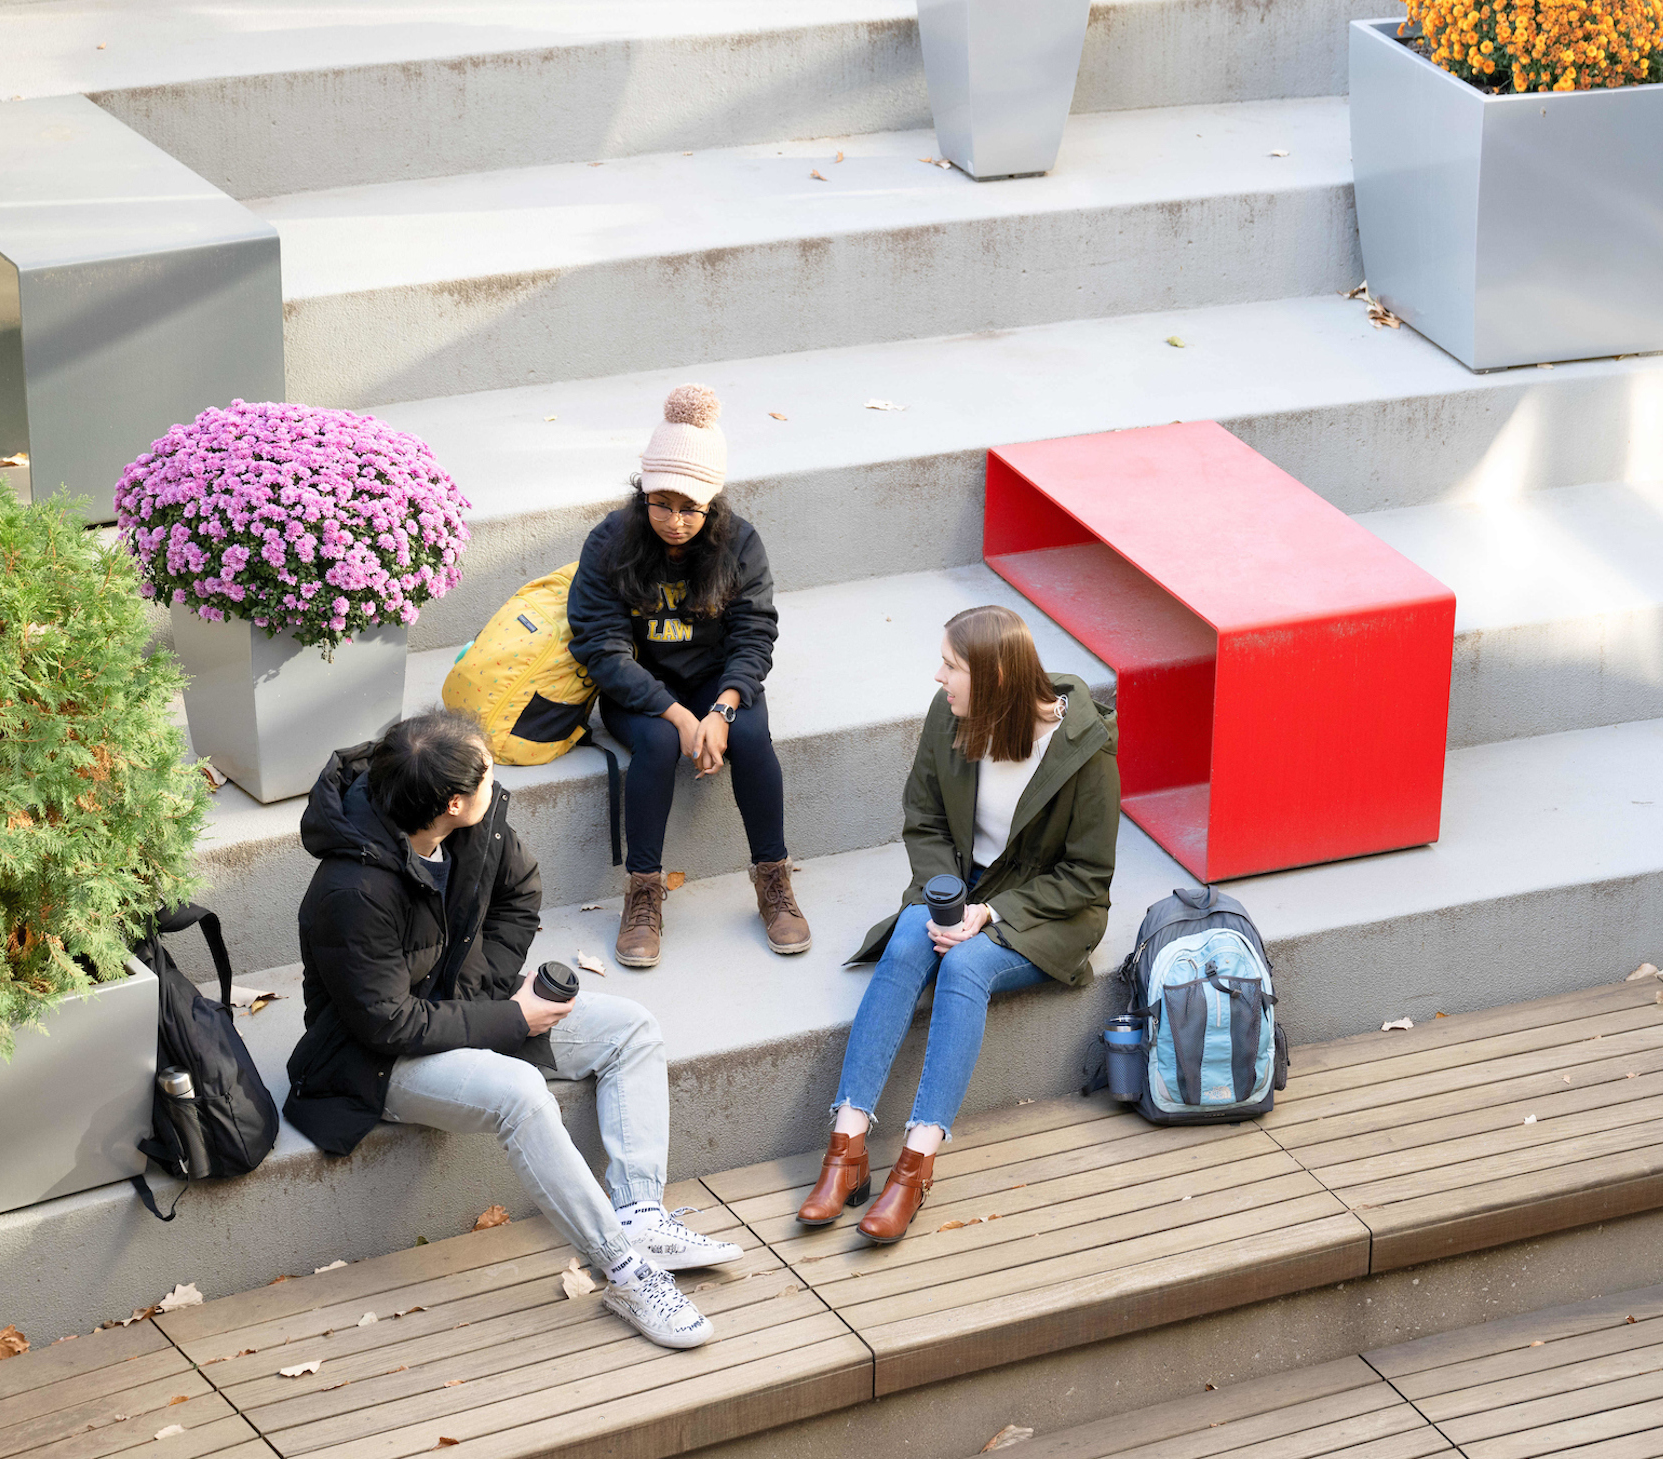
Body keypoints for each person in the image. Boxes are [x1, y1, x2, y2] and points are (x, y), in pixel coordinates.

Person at [284, 710, 739, 1349]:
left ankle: (640, 1214)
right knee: (520, 1093)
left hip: (463, 1011)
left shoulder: (474, 828)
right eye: (487, 771)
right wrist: (510, 1019)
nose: (497, 779)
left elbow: (520, 892)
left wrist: (488, 993)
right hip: (373, 1059)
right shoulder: (351, 889)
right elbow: (386, 1023)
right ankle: (626, 1270)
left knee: (630, 1029)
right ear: (450, 802)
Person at [795, 606, 1121, 1242]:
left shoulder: (1087, 753)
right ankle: (847, 1145)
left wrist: (988, 914)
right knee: (910, 942)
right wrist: (944, 897)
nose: (938, 676)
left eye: (951, 665)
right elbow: (925, 817)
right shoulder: (951, 715)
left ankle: (916, 1164)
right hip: (963, 887)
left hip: (1048, 911)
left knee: (966, 965)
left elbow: (1087, 878)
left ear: (995, 674)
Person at [566, 383, 808, 968]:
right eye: (662, 503)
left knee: (750, 737)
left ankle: (773, 879)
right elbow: (601, 648)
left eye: (690, 508)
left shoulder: (740, 542)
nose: (675, 521)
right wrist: (678, 716)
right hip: (640, 687)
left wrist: (722, 710)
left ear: (712, 502)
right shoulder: (610, 542)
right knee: (655, 744)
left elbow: (755, 635)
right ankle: (644, 891)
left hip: (715, 678)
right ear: (643, 493)